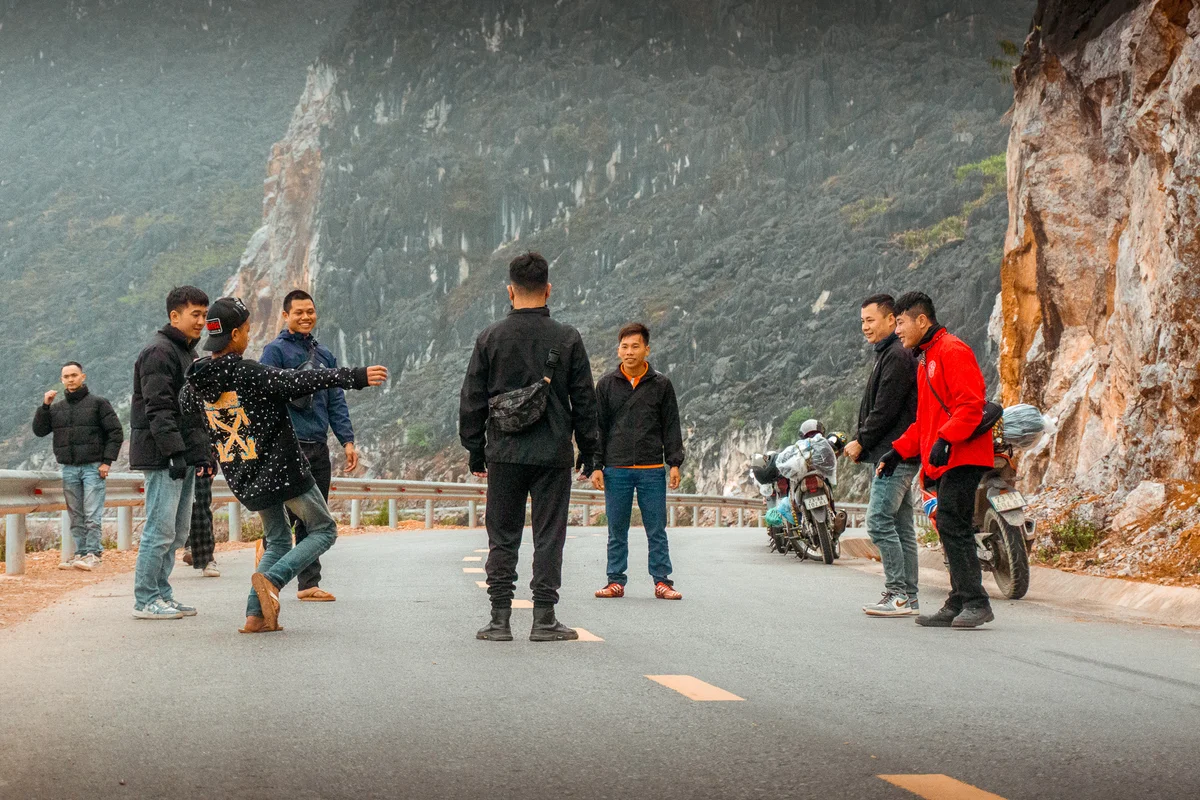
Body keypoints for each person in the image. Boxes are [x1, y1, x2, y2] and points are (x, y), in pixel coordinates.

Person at [183, 297, 388, 634]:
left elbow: (185, 410)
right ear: (235, 335)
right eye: (247, 331)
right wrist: (356, 376)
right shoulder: (248, 372)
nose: (249, 337)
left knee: (278, 539)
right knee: (324, 530)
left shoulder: (195, 383)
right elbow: (299, 383)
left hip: (243, 474)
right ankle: (274, 580)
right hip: (282, 470)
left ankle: (256, 616)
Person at [459, 251, 600, 642]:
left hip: (504, 452)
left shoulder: (490, 337)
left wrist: (475, 449)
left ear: (510, 291)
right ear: (548, 289)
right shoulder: (567, 338)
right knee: (548, 534)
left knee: (502, 535)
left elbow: (471, 398)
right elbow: (584, 400)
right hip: (552, 453)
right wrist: (590, 451)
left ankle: (499, 620)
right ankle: (544, 618)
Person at [877, 291, 995, 629]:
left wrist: (947, 439)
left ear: (922, 321)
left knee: (952, 524)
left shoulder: (952, 350)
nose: (897, 330)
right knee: (948, 526)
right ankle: (958, 601)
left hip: (963, 454)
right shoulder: (927, 359)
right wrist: (897, 450)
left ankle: (975, 601)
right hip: (946, 456)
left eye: (900, 322)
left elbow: (971, 405)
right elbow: (925, 422)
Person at [259, 289, 358, 602]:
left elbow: (336, 400)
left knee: (314, 517)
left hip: (317, 446)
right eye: (298, 312)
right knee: (286, 520)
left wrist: (347, 440)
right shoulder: (273, 352)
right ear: (285, 315)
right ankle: (267, 572)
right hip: (287, 446)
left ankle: (309, 584)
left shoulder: (324, 355)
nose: (305, 317)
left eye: (310, 311)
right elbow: (264, 397)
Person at [130, 286, 212, 620]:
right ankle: (145, 599)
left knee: (177, 532)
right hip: (163, 455)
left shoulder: (188, 354)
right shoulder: (159, 352)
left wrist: (202, 454)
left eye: (205, 315)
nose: (202, 322)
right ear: (174, 316)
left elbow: (193, 413)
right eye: (196, 314)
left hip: (182, 455)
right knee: (159, 530)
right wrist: (175, 452)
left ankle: (162, 593)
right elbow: (159, 407)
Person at [591, 322, 685, 600]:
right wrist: (596, 465)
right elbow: (598, 428)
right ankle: (615, 581)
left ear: (647, 349)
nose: (629, 352)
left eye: (635, 346)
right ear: (618, 350)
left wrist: (675, 462)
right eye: (624, 347)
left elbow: (671, 426)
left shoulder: (661, 385)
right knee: (616, 529)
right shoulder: (606, 385)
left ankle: (662, 581)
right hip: (616, 469)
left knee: (656, 529)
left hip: (652, 469)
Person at [845, 294, 920, 617]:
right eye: (862, 321)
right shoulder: (889, 354)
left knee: (877, 522)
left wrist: (861, 440)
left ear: (892, 320)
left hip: (896, 454)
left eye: (871, 320)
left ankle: (898, 593)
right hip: (897, 452)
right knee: (902, 526)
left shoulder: (897, 355)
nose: (865, 326)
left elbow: (885, 409)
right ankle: (909, 596)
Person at [32, 362, 124, 571]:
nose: (71, 379)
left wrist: (107, 462)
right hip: (69, 468)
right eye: (66, 376)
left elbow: (115, 433)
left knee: (92, 514)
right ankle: (80, 554)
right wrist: (45, 406)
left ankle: (94, 553)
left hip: (94, 467)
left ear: (83, 377)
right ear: (62, 379)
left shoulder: (99, 403)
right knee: (75, 515)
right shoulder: (57, 409)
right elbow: (39, 430)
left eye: (74, 375)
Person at [182, 450, 221, 578]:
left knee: (200, 508)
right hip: (167, 456)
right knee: (169, 511)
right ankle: (187, 544)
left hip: (199, 456)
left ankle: (206, 558)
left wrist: (210, 456)